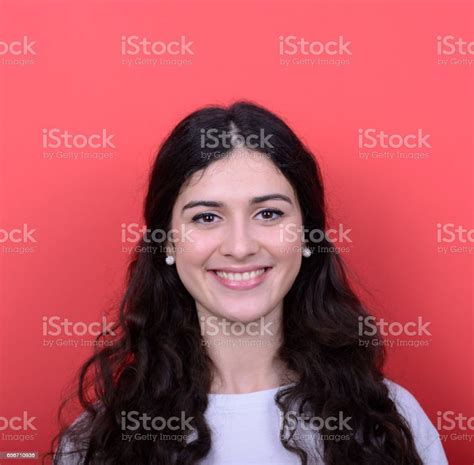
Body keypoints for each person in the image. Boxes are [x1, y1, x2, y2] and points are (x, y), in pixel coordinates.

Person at [49, 101, 448, 465]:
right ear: (167, 242)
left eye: (269, 214)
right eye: (206, 217)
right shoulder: (101, 442)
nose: (240, 247)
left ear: (308, 236)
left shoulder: (391, 421)